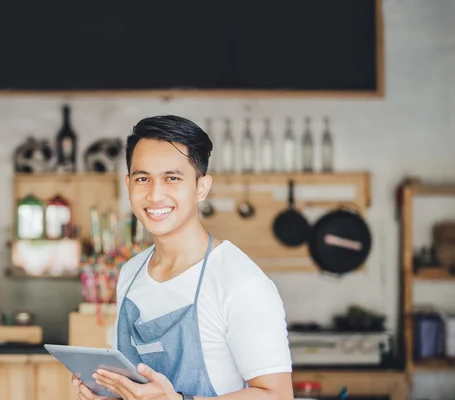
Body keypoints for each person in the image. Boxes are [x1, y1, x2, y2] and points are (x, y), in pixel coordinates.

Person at [73, 115, 293, 400]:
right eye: (143, 179)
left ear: (201, 187)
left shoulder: (240, 282)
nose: (155, 194)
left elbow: (277, 396)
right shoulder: (130, 273)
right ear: (128, 184)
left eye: (172, 178)